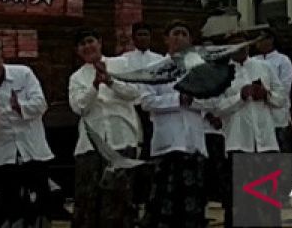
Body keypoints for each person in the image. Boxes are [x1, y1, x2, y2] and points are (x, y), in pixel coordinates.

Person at [0, 42, 54, 228]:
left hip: (32, 153)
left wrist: (20, 107)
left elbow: (41, 104)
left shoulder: (23, 74)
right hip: (1, 159)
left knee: (36, 210)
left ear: (2, 59)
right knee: (4, 214)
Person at [68, 27, 141, 228]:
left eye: (90, 41)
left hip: (122, 140)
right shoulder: (77, 77)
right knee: (88, 202)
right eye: (82, 44)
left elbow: (135, 93)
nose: (87, 46)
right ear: (78, 51)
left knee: (120, 200)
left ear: (99, 42)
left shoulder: (122, 64)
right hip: (90, 147)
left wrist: (109, 80)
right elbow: (79, 107)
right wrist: (94, 86)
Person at [142, 20, 212, 228]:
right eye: (175, 33)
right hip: (167, 144)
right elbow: (146, 101)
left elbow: (213, 100)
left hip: (194, 143)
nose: (179, 37)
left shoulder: (201, 69)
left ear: (190, 40)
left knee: (193, 206)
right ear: (166, 38)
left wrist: (194, 100)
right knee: (163, 203)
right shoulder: (155, 69)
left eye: (184, 33)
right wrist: (176, 101)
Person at [213, 34, 284, 228]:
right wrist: (240, 96)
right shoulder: (222, 72)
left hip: (266, 142)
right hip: (238, 142)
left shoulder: (264, 67)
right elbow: (217, 107)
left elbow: (281, 99)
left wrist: (266, 94)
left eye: (244, 44)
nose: (240, 48)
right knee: (240, 201)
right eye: (235, 45)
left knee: (267, 199)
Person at [121, 22, 162, 215]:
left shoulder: (160, 60)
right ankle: (134, 201)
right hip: (133, 109)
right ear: (133, 38)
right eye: (140, 34)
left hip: (154, 112)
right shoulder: (125, 59)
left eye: (146, 34)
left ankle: (149, 200)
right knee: (134, 154)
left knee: (150, 155)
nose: (143, 38)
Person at [252, 27, 292, 153]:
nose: (257, 43)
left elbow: (284, 88)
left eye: (261, 39)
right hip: (258, 117)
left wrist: (266, 93)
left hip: (278, 117)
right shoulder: (253, 60)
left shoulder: (283, 60)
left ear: (270, 39)